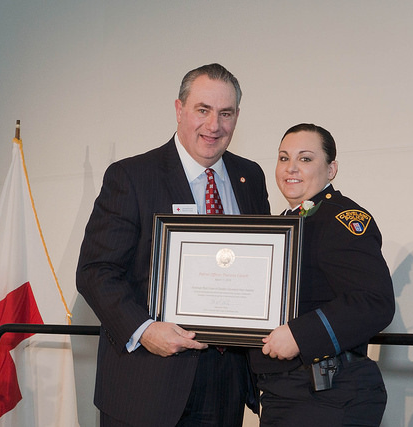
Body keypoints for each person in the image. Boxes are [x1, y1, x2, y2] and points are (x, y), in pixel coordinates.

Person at [76, 63, 270, 427]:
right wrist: (145, 330)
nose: (214, 125)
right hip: (146, 382)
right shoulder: (132, 176)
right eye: (203, 110)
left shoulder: (250, 177)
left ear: (237, 117)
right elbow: (95, 271)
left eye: (225, 113)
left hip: (225, 383)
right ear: (179, 109)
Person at [249, 123, 395, 426]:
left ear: (331, 169)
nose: (291, 168)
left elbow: (374, 301)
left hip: (330, 393)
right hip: (285, 391)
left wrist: (299, 335)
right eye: (284, 158)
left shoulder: (341, 219)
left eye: (305, 158)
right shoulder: (280, 226)